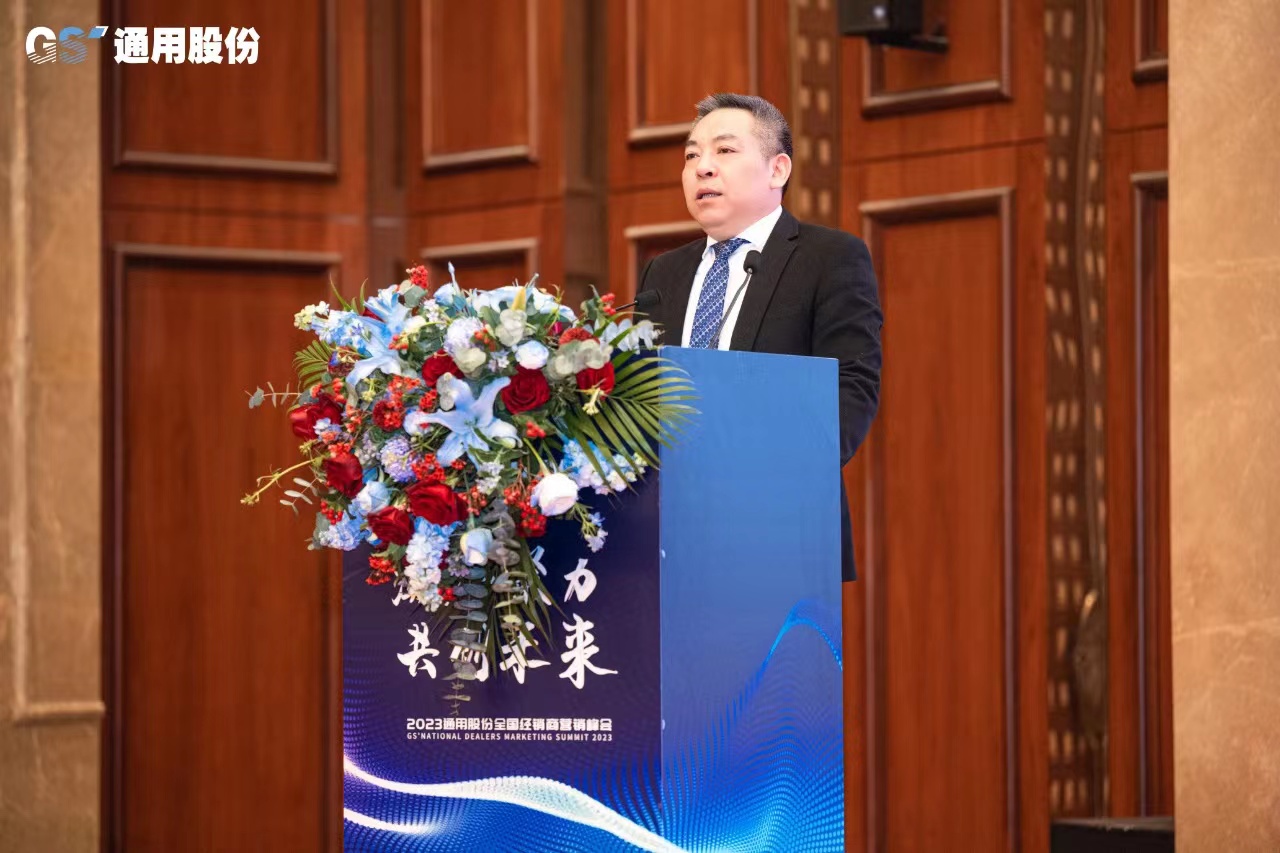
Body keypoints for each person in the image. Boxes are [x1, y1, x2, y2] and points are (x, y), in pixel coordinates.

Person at [636, 92, 882, 583]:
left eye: (725, 150)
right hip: (670, 539)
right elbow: (641, 399)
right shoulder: (664, 273)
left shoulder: (828, 258)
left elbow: (850, 390)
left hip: (779, 533)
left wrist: (762, 475)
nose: (703, 167)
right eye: (691, 155)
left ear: (777, 170)